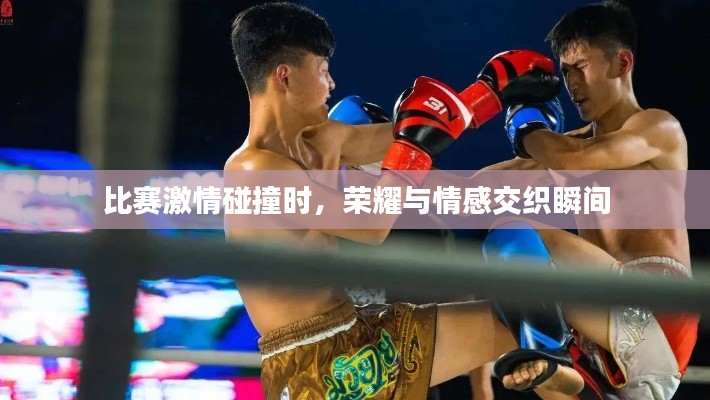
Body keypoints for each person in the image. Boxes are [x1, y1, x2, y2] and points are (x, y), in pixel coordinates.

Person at [223, 3, 582, 399]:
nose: (331, 83)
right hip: (318, 371)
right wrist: (411, 152)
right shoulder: (253, 171)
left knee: (527, 305)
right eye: (323, 70)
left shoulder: (322, 140)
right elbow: (372, 224)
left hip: (360, 331)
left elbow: (421, 127)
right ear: (285, 76)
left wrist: (489, 92)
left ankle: (566, 365)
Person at [472, 2, 699, 399]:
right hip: (599, 331)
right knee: (507, 262)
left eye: (581, 66)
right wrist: (485, 100)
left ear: (622, 62)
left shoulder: (658, 127)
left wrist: (526, 124)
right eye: (564, 71)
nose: (571, 82)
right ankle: (555, 366)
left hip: (660, 311)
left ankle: (547, 351)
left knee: (522, 236)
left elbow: (572, 160)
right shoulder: (567, 147)